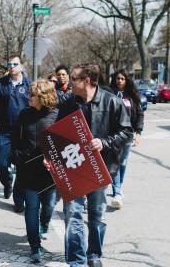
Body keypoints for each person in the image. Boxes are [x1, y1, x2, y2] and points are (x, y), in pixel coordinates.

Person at [49, 63, 133, 267]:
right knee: (73, 213)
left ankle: (94, 255)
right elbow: (57, 132)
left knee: (97, 215)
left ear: (86, 81)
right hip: (74, 167)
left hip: (100, 168)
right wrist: (50, 156)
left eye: (74, 78)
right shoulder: (69, 104)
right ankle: (76, 260)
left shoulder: (112, 101)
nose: (69, 82)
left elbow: (126, 132)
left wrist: (104, 142)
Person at [11, 79, 58, 263]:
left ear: (43, 97)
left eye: (32, 95)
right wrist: (16, 155)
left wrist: (54, 161)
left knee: (49, 206)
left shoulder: (57, 115)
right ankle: (34, 246)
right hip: (28, 169)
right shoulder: (24, 114)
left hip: (49, 172)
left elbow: (63, 143)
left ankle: (44, 224)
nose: (28, 97)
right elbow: (15, 137)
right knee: (31, 208)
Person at [0, 54, 30, 213]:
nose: (11, 66)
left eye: (15, 64)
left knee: (23, 168)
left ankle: (19, 201)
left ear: (21, 66)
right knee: (1, 163)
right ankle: (7, 182)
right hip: (5, 130)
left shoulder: (29, 84)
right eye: (9, 64)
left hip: (25, 131)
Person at [109, 69, 144, 209]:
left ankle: (119, 187)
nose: (120, 81)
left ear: (126, 80)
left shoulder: (132, 95)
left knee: (123, 162)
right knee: (116, 161)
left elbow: (140, 114)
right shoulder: (109, 93)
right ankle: (117, 192)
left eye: (122, 79)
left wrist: (139, 132)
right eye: (118, 78)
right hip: (114, 134)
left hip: (128, 134)